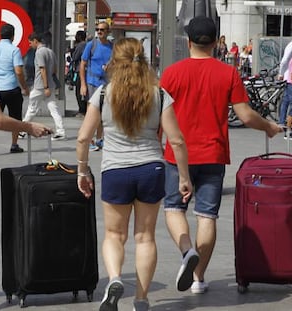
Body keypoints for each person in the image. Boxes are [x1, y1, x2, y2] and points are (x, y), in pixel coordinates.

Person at [160, 16, 282, 295]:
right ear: (215, 43)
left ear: (188, 42)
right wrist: (269, 127)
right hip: (213, 154)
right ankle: (198, 278)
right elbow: (245, 115)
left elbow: (159, 115)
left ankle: (186, 250)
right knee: (207, 216)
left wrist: (157, 143)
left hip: (176, 155)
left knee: (173, 208)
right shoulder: (228, 74)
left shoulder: (171, 74)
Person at [76, 37, 192, 311]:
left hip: (115, 170)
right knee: (145, 237)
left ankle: (115, 279)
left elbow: (83, 138)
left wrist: (82, 171)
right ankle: (141, 299)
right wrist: (184, 177)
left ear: (114, 62)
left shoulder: (103, 94)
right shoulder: (159, 94)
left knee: (114, 235)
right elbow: (176, 141)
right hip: (151, 170)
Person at [22, 32, 66, 141]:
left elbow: (42, 69)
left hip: (40, 85)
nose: (30, 45)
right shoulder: (50, 52)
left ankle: (22, 130)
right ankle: (60, 131)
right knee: (53, 109)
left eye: (30, 42)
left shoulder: (39, 52)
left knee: (32, 108)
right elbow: (54, 69)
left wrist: (45, 86)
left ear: (35, 41)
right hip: (50, 85)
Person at [0, 24, 30, 153]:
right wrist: (24, 87)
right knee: (15, 117)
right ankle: (14, 144)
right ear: (13, 36)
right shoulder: (14, 50)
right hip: (11, 87)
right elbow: (19, 72)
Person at [80, 22, 113, 151]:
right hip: (92, 83)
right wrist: (83, 84)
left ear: (108, 32)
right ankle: (90, 139)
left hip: (106, 83)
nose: (99, 32)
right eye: (98, 30)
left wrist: (111, 67)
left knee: (103, 113)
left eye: (102, 30)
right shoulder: (91, 45)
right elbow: (82, 64)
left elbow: (116, 63)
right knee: (91, 113)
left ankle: (99, 139)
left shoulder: (112, 47)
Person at [71, 30, 87, 117]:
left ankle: (82, 110)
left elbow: (74, 57)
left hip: (80, 71)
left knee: (78, 91)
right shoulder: (87, 44)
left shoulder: (81, 45)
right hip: (85, 71)